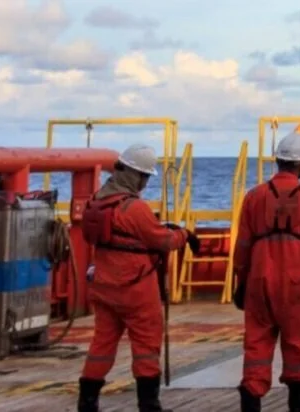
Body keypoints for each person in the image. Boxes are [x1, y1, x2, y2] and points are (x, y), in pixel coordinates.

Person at [77, 143, 201, 412]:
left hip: (103, 286)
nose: (144, 183)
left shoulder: (95, 201)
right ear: (136, 175)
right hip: (135, 288)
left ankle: (87, 402)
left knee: (102, 343)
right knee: (146, 345)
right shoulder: (134, 208)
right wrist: (185, 235)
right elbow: (163, 240)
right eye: (145, 177)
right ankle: (148, 404)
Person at [232, 132, 300, 412]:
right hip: (296, 281)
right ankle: (297, 406)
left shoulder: (253, 197)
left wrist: (240, 282)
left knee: (256, 343)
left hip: (258, 279)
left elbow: (242, 246)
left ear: (277, 161)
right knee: (297, 341)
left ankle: (251, 401)